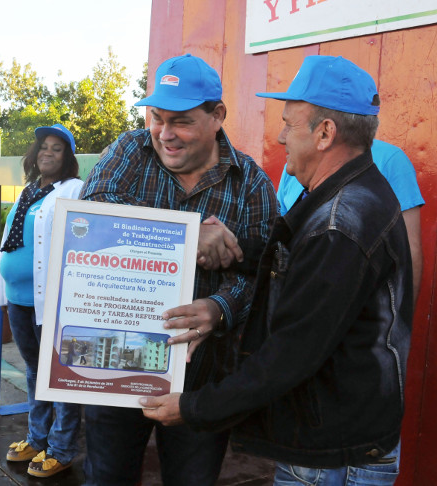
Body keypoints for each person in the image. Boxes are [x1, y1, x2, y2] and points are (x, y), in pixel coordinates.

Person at [142, 55, 413, 486]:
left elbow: (290, 353)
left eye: (290, 123)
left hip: (331, 457)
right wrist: (238, 250)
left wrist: (193, 407)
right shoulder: (344, 193)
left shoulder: (340, 224)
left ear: (325, 133)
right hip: (333, 440)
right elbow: (299, 261)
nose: (281, 136)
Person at [80, 54, 277, 485]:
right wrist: (187, 236)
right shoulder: (132, 150)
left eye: (182, 121)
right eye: (157, 118)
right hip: (115, 367)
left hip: (201, 382)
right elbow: (92, 215)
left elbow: (265, 272)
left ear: (217, 116)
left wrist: (220, 308)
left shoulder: (252, 184)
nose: (165, 135)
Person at [0, 123, 83, 478]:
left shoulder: (74, 190)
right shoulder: (28, 191)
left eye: (57, 148)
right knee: (35, 370)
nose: (47, 152)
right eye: (43, 147)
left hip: (52, 301)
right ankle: (38, 437)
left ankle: (61, 449)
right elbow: (10, 241)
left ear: (68, 158)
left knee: (60, 374)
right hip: (19, 298)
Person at [277, 139, 424, 298]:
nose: (282, 137)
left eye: (291, 124)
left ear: (327, 127)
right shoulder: (293, 166)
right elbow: (281, 242)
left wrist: (401, 321)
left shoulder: (391, 159)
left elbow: (409, 250)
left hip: (357, 302)